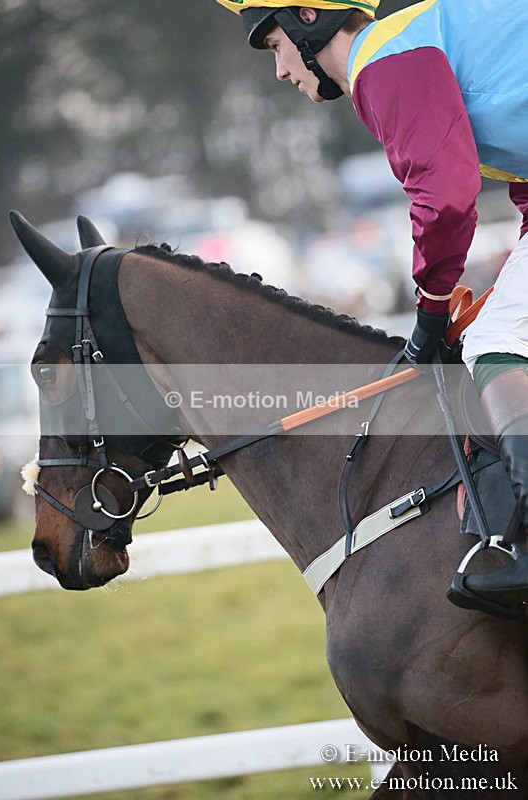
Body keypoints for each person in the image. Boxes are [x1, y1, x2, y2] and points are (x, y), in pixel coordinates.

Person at [214, 0, 528, 612]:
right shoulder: (413, 47)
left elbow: (445, 197)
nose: (280, 71)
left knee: (498, 341)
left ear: (308, 19)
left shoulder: (382, 58)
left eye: (275, 46)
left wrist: (430, 312)